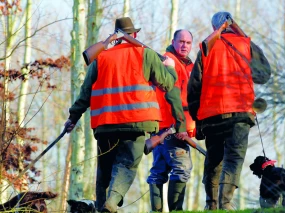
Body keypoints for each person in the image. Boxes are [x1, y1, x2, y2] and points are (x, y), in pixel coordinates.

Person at [65, 17, 180, 213]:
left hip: (105, 124)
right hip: (136, 123)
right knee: (126, 165)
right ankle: (110, 205)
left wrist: (73, 118)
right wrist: (170, 67)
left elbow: (85, 93)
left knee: (105, 171)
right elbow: (167, 83)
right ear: (134, 35)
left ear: (116, 36)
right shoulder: (146, 54)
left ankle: (103, 206)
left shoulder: (101, 57)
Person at [187, 11, 271, 210]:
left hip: (211, 115)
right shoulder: (245, 45)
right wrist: (247, 42)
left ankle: (211, 204)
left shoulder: (206, 47)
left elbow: (194, 87)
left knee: (213, 160)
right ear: (231, 24)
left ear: (214, 27)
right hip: (240, 113)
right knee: (233, 158)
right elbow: (263, 74)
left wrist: (196, 118)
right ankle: (226, 203)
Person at [146, 29, 195, 212]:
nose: (184, 45)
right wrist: (181, 125)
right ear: (173, 42)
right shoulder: (168, 62)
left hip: (165, 125)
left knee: (159, 170)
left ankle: (156, 210)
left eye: (188, 43)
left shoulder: (186, 65)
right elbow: (174, 97)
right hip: (171, 125)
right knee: (182, 168)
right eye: (181, 41)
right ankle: (176, 210)